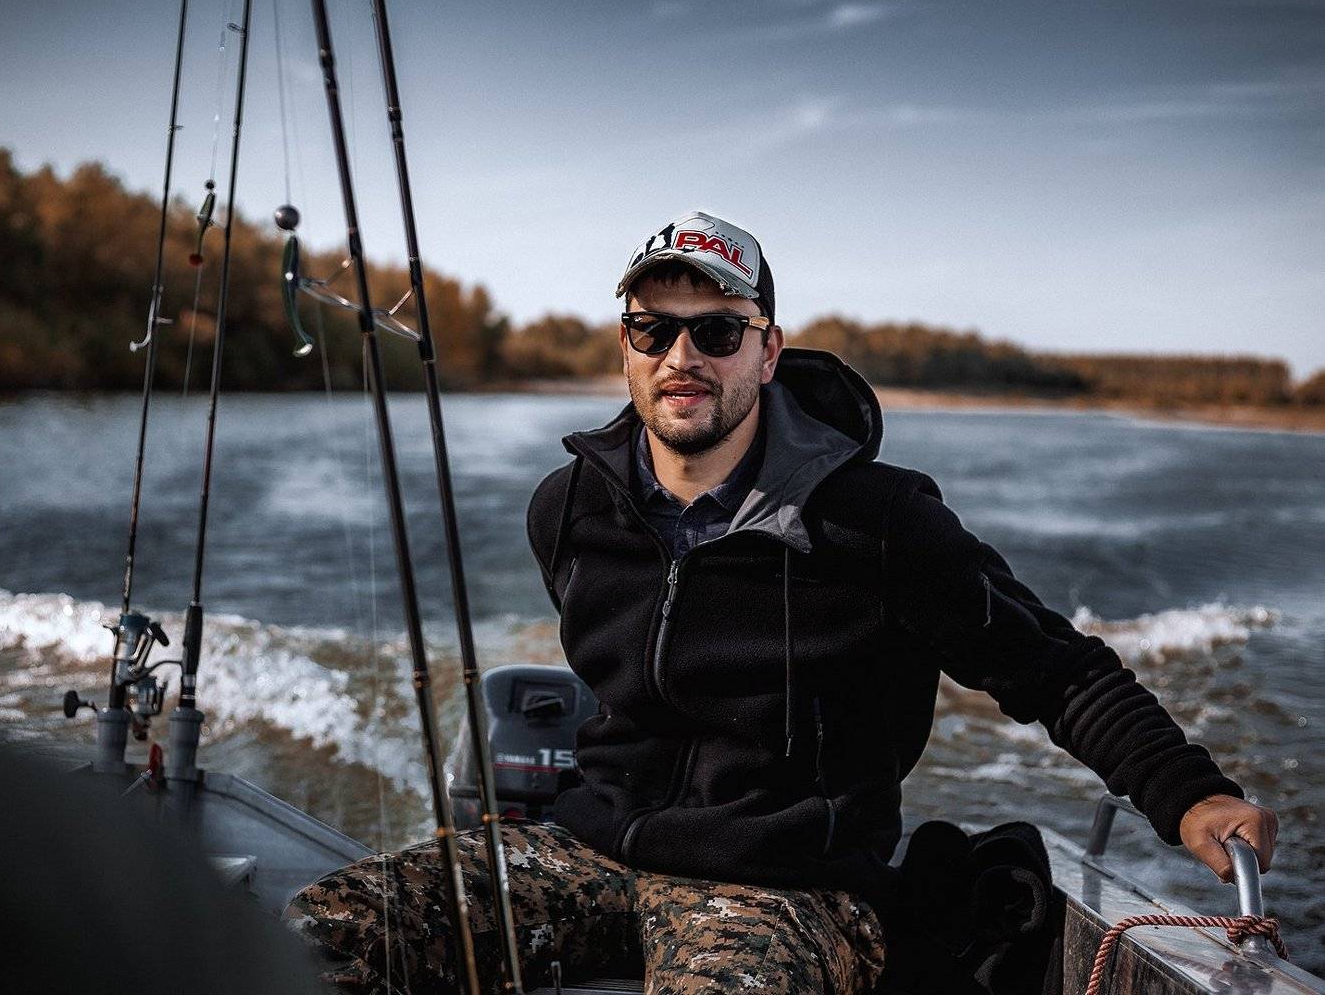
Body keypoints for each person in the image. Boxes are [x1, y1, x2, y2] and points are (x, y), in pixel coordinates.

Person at [287, 210, 1279, 995]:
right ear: (626, 347)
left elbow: (1052, 668)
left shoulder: (879, 522)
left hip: (788, 888)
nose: (682, 356)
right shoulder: (571, 507)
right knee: (307, 938)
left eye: (717, 330)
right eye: (653, 328)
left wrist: (1188, 793)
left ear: (766, 352)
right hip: (587, 846)